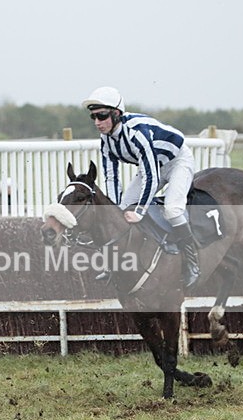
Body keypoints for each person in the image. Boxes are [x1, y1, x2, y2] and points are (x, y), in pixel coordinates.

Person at [82, 86, 200, 289]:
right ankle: (114, 263)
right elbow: (111, 177)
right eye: (93, 117)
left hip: (178, 161)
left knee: (172, 210)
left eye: (102, 116)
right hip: (155, 165)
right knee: (120, 209)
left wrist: (139, 211)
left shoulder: (137, 133)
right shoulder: (106, 140)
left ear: (116, 114)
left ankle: (192, 262)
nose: (97, 122)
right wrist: (116, 209)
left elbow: (152, 178)